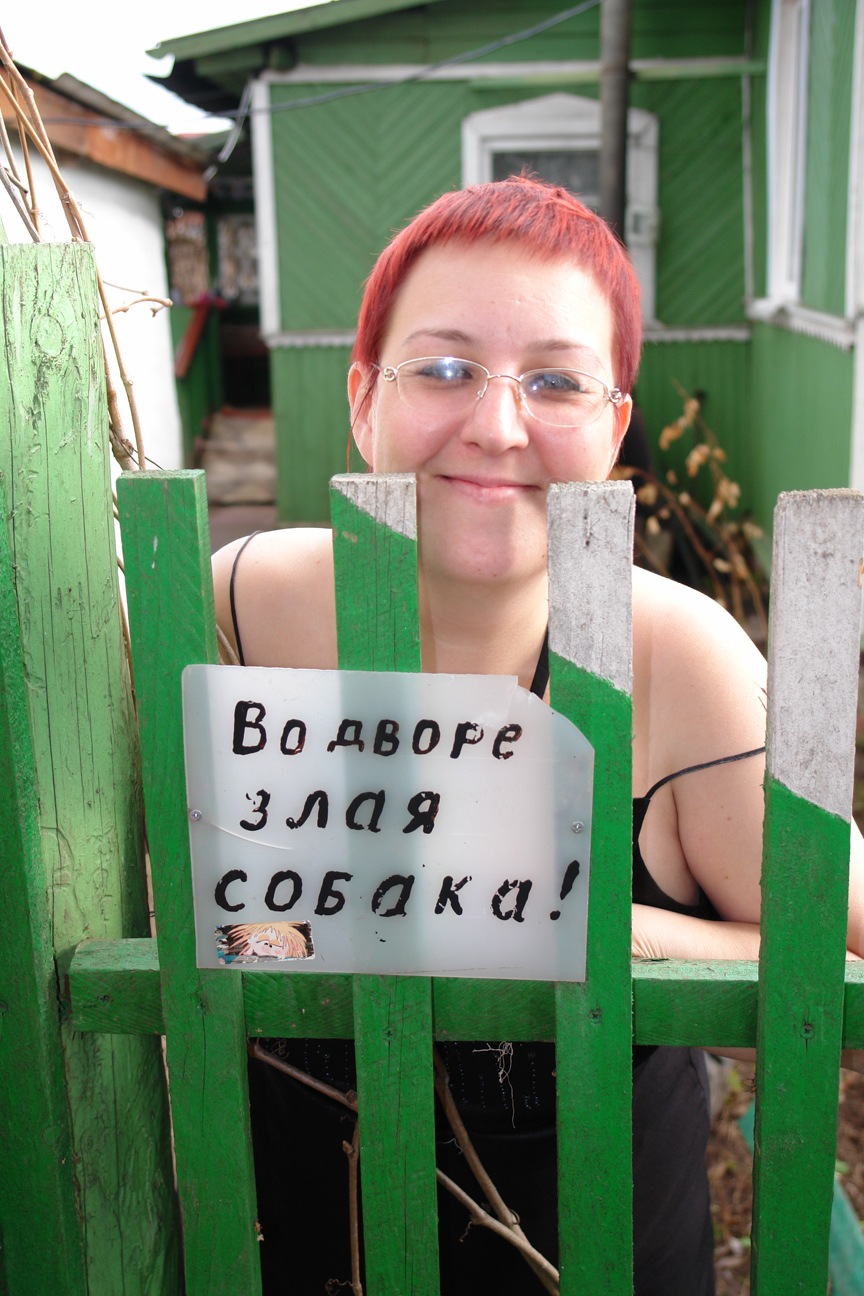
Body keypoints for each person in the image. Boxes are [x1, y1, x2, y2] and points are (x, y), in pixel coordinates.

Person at [212, 176, 864, 1295]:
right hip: (307, 1247)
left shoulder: (685, 663)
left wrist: (584, 925)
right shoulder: (240, 609)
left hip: (605, 1254)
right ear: (364, 399)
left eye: (556, 380)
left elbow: (842, 964)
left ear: (612, 429)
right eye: (444, 368)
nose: (496, 424)